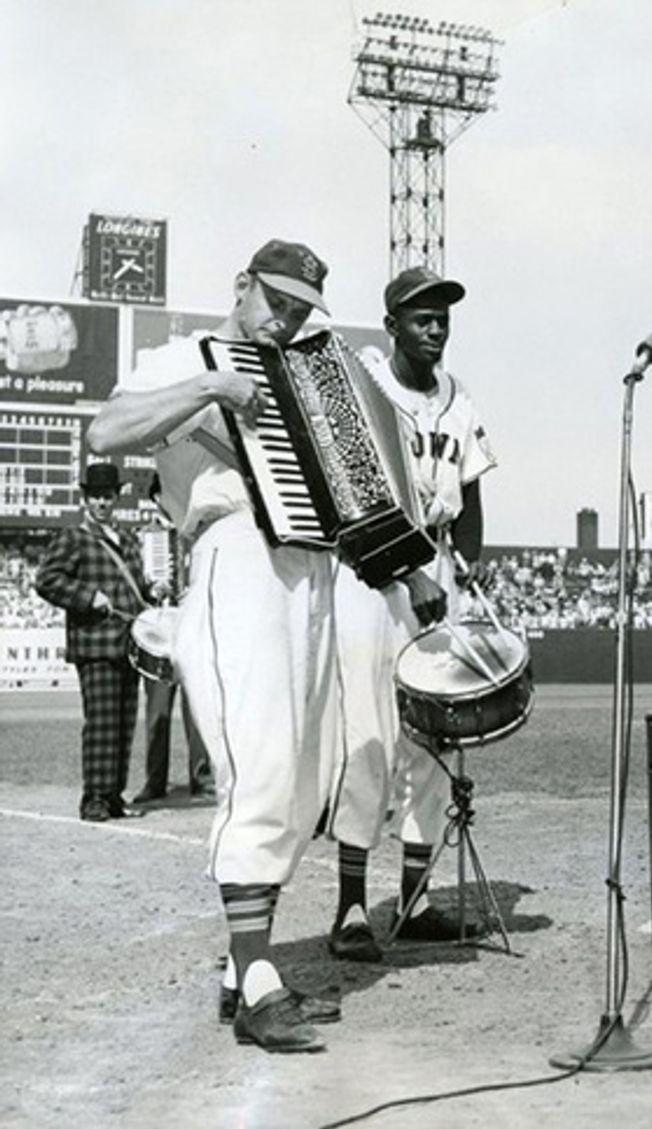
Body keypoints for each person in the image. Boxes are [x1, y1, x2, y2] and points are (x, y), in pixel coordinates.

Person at [86, 239, 343, 1053]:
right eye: (277, 302)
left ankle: (243, 975)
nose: (287, 319)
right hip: (232, 550)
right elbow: (104, 431)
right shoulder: (182, 355)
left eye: (300, 309)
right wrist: (206, 386)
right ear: (242, 285)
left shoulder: (304, 370)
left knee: (305, 778)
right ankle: (259, 981)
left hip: (312, 563)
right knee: (257, 766)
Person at [321, 267, 497, 962]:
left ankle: (417, 899)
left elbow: (473, 503)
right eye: (421, 317)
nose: (435, 327)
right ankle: (353, 909)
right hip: (373, 579)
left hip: (439, 576)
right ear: (392, 325)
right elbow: (352, 505)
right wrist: (412, 569)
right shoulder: (368, 393)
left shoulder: (460, 402)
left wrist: (469, 568)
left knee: (436, 742)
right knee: (371, 738)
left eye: (443, 316)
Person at [34, 462, 158, 822]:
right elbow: (47, 580)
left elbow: (135, 589)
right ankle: (95, 798)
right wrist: (89, 597)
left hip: (128, 646)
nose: (102, 502)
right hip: (94, 645)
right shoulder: (74, 537)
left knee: (123, 725)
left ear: (115, 497)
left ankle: (114, 793)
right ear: (85, 498)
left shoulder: (130, 540)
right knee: (102, 723)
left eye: (107, 496)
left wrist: (153, 591)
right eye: (95, 496)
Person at [132, 474, 214, 805]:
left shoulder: (197, 534)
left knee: (198, 709)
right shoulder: (144, 538)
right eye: (163, 494)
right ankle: (155, 781)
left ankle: (202, 777)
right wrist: (150, 589)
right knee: (158, 711)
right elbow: (133, 584)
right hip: (161, 632)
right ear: (155, 498)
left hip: (193, 628)